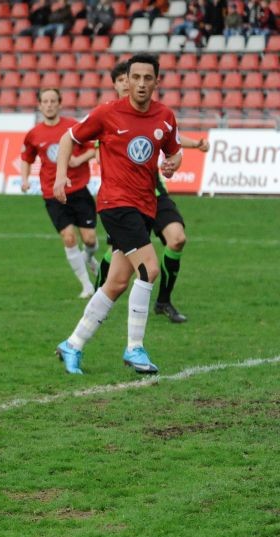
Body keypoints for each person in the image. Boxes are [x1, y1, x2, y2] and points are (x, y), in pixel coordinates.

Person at [53, 53, 183, 375]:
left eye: (147, 78)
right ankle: (134, 349)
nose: (140, 84)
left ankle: (73, 344)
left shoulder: (165, 116)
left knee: (116, 282)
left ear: (155, 81)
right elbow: (67, 138)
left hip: (145, 207)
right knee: (150, 269)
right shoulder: (107, 113)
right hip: (115, 204)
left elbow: (175, 151)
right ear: (126, 80)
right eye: (135, 77)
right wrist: (60, 176)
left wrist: (172, 164)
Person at [96, 62, 210, 324]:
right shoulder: (107, 117)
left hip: (155, 193)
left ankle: (163, 301)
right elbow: (87, 144)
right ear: (118, 84)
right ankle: (99, 295)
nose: (133, 84)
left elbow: (171, 140)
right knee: (116, 253)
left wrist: (191, 148)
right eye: (127, 79)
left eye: (142, 78)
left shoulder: (154, 115)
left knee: (177, 239)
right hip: (123, 198)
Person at [20, 88, 98, 299]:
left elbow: (93, 148)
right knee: (68, 236)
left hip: (79, 189)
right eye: (45, 101)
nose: (49, 105)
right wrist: (25, 179)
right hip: (52, 192)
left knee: (90, 239)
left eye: (53, 101)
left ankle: (88, 257)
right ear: (39, 105)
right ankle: (87, 285)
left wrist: (78, 161)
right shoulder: (34, 134)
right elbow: (26, 158)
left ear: (60, 103)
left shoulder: (73, 126)